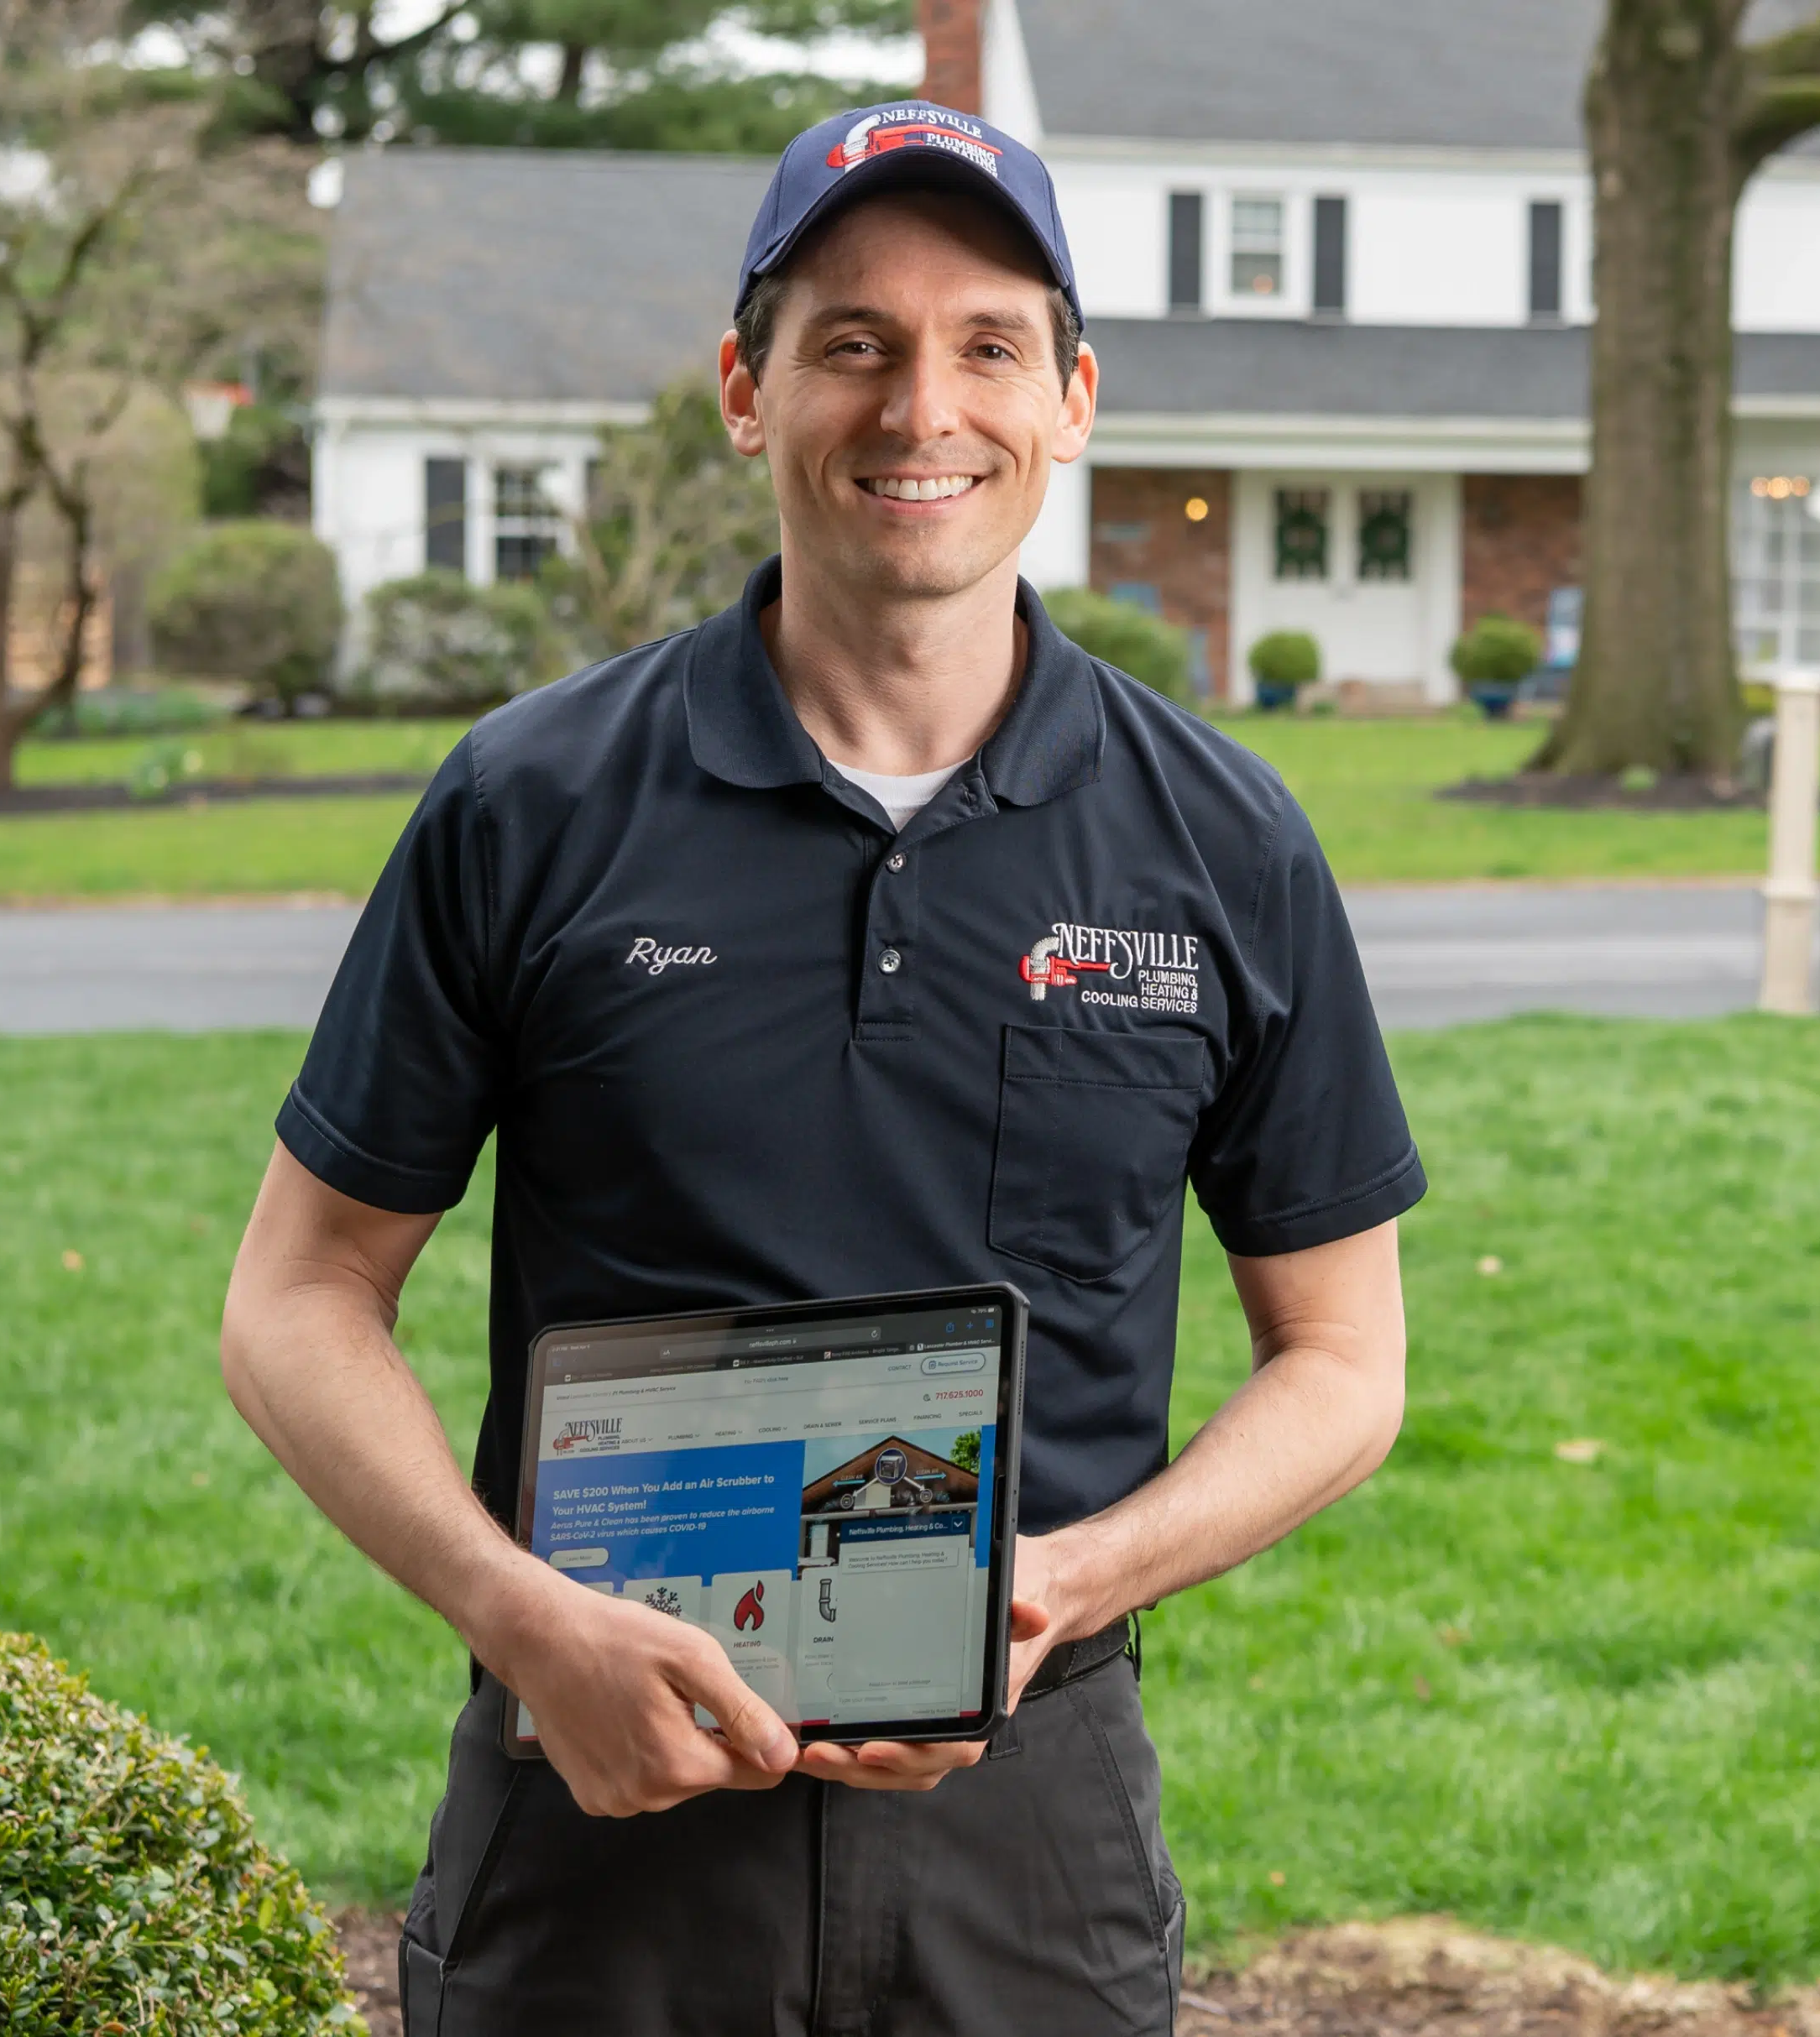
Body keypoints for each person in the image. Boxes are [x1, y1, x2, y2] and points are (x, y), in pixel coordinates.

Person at [221, 97, 1423, 2037]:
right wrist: (523, 1619)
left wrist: (1063, 1582)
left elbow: (1348, 1361)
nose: (919, 406)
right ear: (745, 389)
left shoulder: (1224, 843)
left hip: (1028, 1832)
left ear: (1074, 396)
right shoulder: (531, 805)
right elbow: (297, 1293)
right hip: (595, 1816)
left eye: (985, 344)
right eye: (850, 340)